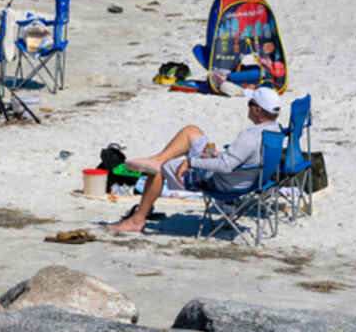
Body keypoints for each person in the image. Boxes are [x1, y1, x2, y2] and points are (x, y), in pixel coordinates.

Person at [107, 87, 284, 233]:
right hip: (243, 178)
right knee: (193, 132)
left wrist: (191, 162)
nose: (248, 107)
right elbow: (240, 160)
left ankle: (137, 220)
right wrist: (220, 155)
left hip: (220, 182)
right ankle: (157, 159)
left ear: (258, 110)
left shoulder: (250, 136)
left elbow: (225, 166)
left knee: (159, 170)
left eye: (250, 103)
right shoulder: (275, 131)